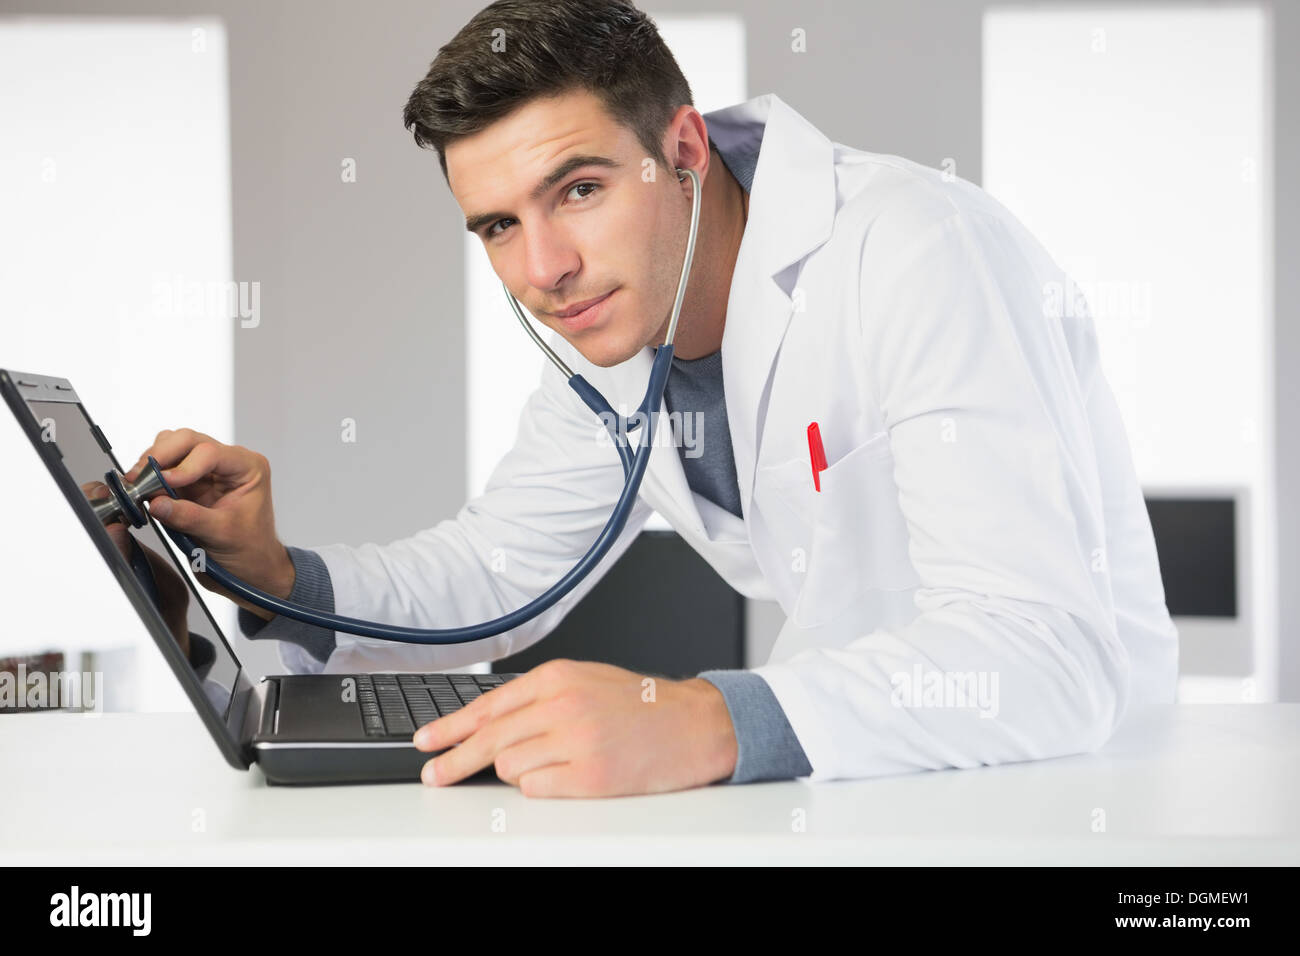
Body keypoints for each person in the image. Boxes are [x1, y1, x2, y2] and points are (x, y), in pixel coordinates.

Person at [125, 0, 1177, 797]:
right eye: (496, 225)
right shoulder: (617, 334)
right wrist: (275, 573)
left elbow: (1043, 654)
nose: (543, 268)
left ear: (680, 149)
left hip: (1065, 793)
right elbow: (495, 574)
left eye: (578, 189)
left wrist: (704, 718)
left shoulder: (914, 250)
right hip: (864, 790)